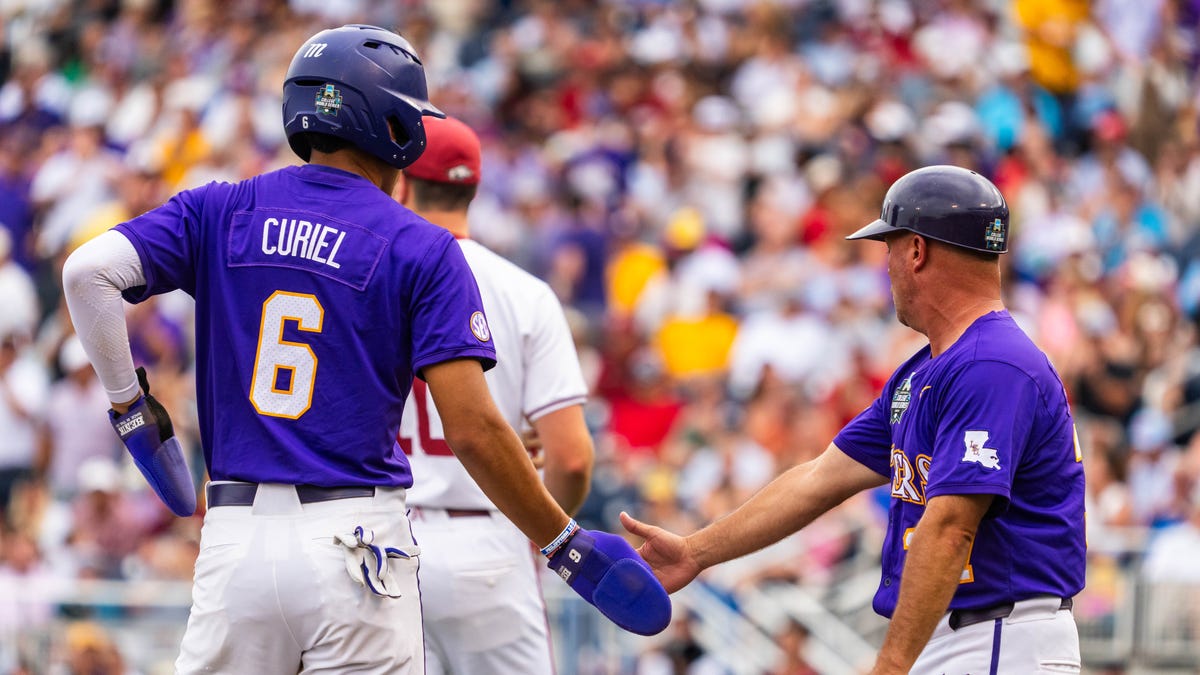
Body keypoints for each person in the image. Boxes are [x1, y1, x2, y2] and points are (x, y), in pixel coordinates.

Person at [61, 24, 667, 674]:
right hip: (355, 541)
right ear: (393, 122)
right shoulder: (421, 246)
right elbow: (474, 429)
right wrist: (564, 542)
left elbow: (86, 273)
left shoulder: (223, 206)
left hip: (235, 539)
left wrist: (132, 408)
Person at [623, 165, 1086, 674]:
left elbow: (951, 527)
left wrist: (890, 666)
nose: (884, 265)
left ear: (916, 250)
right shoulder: (929, 368)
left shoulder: (992, 363)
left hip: (1000, 637)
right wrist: (696, 550)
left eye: (887, 247)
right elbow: (819, 479)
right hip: (960, 633)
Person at [392, 114, 595, 674]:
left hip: (380, 537)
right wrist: (539, 531)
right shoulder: (524, 292)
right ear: (472, 187)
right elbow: (572, 458)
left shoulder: (369, 280)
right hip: (489, 533)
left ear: (402, 182)